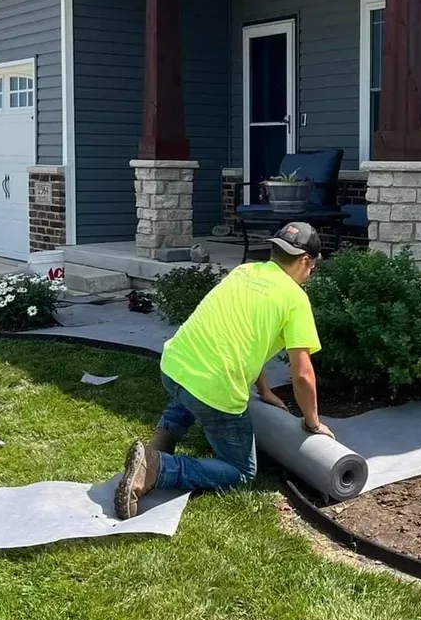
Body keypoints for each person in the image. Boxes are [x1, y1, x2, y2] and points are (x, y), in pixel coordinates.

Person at [116, 222, 330, 519]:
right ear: (306, 260)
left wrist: (264, 390)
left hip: (174, 366)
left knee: (191, 389)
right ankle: (158, 468)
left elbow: (240, 338)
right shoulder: (294, 298)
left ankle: (160, 442)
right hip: (213, 390)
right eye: (313, 267)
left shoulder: (244, 272)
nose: (311, 274)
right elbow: (303, 375)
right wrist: (312, 422)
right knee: (241, 471)